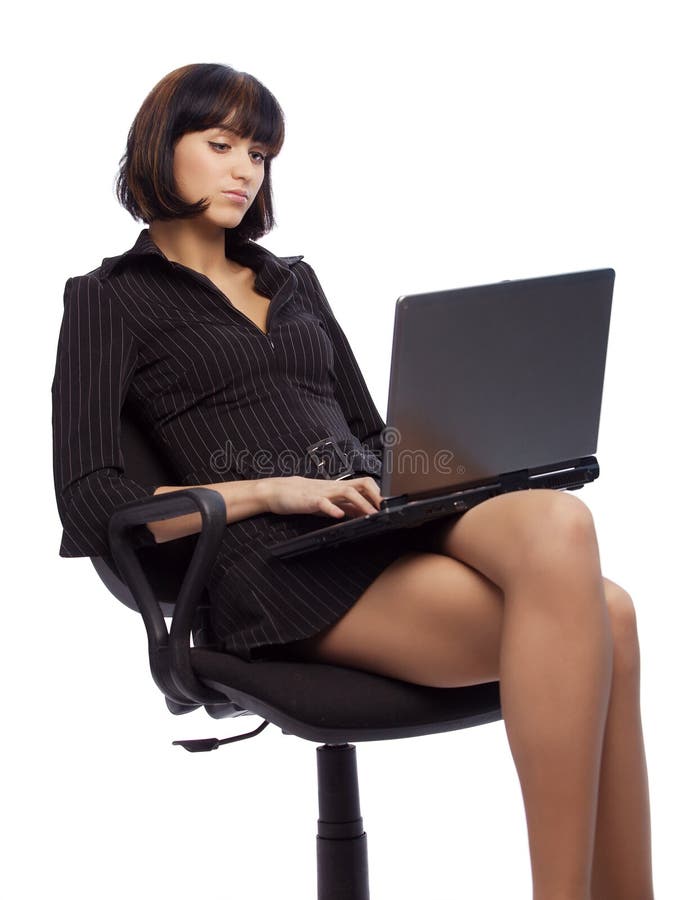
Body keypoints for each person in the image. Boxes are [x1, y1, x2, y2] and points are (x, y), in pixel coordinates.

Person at [51, 63, 654, 899]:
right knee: (609, 618)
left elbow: (373, 432)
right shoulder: (105, 302)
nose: (243, 170)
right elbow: (90, 503)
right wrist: (269, 490)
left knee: (557, 519)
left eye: (259, 154)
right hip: (277, 564)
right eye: (220, 144)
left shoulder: (291, 280)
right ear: (162, 146)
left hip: (376, 509)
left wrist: (458, 461)